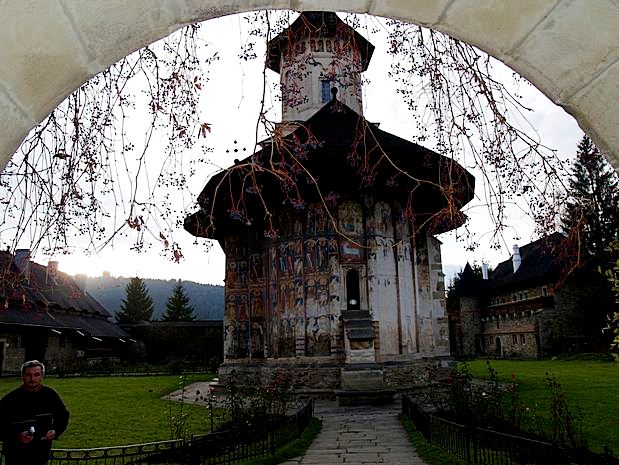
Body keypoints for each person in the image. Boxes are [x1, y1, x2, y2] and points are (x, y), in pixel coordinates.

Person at [0, 360, 70, 465]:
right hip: (15, 454)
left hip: (41, 453)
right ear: (22, 376)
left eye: (36, 374)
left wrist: (56, 431)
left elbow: (63, 415)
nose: (32, 379)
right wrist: (17, 436)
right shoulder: (10, 399)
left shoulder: (50, 395)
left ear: (42, 376)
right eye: (28, 375)